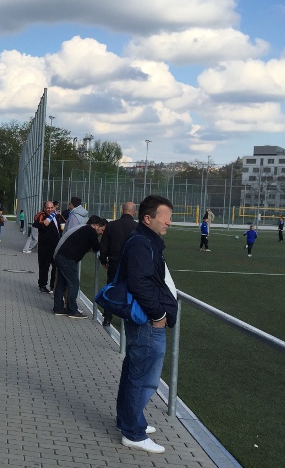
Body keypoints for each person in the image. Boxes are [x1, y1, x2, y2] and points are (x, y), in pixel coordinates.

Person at [116, 194, 177, 454]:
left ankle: (130, 420)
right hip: (147, 323)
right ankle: (133, 432)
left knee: (134, 373)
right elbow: (140, 283)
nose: (169, 223)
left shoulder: (145, 240)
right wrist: (159, 315)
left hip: (145, 320)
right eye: (166, 219)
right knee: (144, 379)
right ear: (148, 218)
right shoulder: (142, 242)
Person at [53, 215, 107, 318]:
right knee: (74, 284)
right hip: (68, 259)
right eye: (102, 230)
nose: (101, 233)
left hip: (62, 257)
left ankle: (58, 308)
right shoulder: (91, 231)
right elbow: (96, 247)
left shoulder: (84, 228)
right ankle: (72, 310)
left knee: (61, 283)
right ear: (96, 226)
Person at [98, 202, 138, 326]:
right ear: (134, 212)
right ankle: (128, 317)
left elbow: (103, 245)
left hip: (114, 263)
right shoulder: (137, 227)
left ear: (122, 210)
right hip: (131, 264)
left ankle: (107, 317)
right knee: (131, 290)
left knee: (111, 288)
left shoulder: (111, 226)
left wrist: (104, 260)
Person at [32, 201, 61, 293]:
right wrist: (51, 216)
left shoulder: (58, 216)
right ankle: (42, 285)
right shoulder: (41, 216)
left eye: (52, 207)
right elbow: (42, 225)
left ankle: (53, 286)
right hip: (45, 247)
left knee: (56, 267)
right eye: (48, 208)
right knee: (44, 266)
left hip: (56, 247)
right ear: (44, 208)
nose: (50, 210)